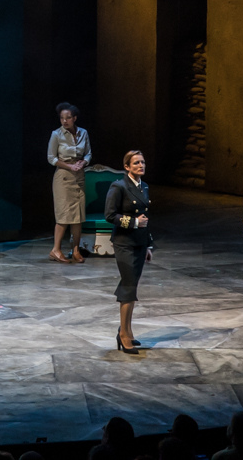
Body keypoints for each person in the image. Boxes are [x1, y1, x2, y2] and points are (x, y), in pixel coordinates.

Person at [105, 150, 153, 353]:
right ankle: (123, 334)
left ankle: (127, 331)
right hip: (124, 242)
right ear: (127, 167)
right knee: (128, 286)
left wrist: (148, 244)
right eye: (136, 163)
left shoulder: (145, 187)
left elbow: (146, 218)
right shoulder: (119, 186)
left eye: (142, 162)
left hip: (140, 243)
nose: (140, 166)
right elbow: (109, 215)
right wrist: (134, 222)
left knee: (131, 288)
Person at [47, 102, 91, 263]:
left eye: (68, 118)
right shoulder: (56, 134)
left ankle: (76, 250)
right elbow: (51, 158)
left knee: (78, 216)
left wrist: (83, 163)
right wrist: (69, 165)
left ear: (74, 118)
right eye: (62, 118)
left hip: (78, 176)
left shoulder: (83, 133)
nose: (64, 121)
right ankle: (55, 250)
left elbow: (88, 153)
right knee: (64, 215)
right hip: (63, 177)